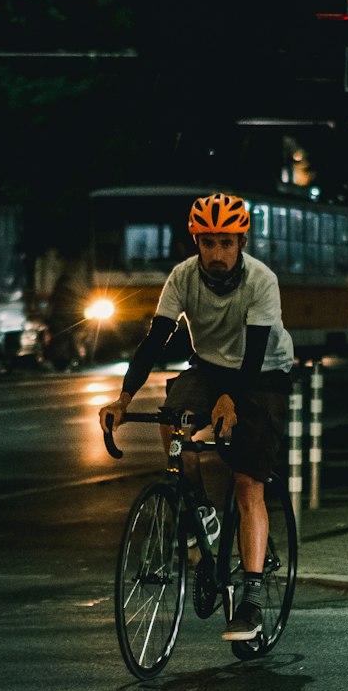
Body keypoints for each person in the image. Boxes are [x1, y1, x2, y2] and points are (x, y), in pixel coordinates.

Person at [98, 191, 294, 642]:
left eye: (226, 242)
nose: (217, 254)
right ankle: (200, 509)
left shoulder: (261, 281)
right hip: (209, 366)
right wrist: (123, 399)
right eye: (208, 243)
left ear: (241, 241)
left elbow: (254, 355)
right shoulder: (183, 277)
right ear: (196, 242)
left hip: (263, 372)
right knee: (172, 419)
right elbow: (155, 341)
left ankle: (251, 600)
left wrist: (231, 401)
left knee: (248, 483)